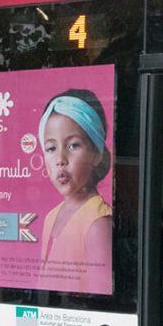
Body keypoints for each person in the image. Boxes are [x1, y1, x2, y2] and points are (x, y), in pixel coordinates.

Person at [38, 89, 113, 294]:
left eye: (73, 145)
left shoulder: (98, 221)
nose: (60, 159)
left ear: (96, 154)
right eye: (51, 148)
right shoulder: (50, 217)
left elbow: (100, 294)